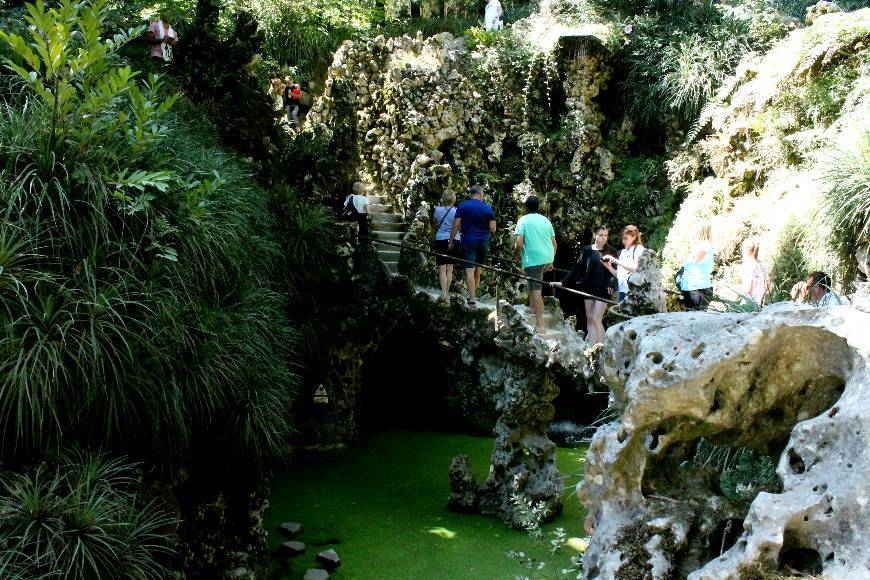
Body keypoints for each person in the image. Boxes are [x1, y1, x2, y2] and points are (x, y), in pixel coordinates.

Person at [554, 225, 616, 345]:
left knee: (597, 318)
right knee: (590, 317)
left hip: (603, 289)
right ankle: (592, 347)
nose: (604, 238)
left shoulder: (611, 251)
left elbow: (616, 272)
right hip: (589, 287)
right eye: (601, 235)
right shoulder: (587, 250)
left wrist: (612, 285)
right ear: (595, 236)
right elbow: (576, 269)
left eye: (606, 235)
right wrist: (562, 282)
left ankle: (601, 347)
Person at [514, 195, 557, 333]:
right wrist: (551, 259)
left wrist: (517, 256)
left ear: (525, 207)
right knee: (535, 285)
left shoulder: (523, 220)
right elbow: (554, 244)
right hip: (546, 258)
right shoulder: (546, 220)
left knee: (536, 291)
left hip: (532, 259)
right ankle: (532, 310)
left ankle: (540, 325)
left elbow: (519, 243)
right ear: (538, 207)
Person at [449, 185, 496, 307]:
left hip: (468, 240)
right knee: (478, 269)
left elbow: (456, 225)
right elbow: (493, 228)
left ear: (471, 194)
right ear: (481, 194)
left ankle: (472, 299)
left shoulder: (463, 206)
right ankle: (472, 295)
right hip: (483, 241)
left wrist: (451, 241)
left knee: (469, 270)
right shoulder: (488, 208)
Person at [680, 224, 714, 310]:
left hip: (697, 289)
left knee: (695, 318)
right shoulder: (705, 246)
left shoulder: (703, 247)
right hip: (696, 288)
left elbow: (694, 260)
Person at [432, 191, 460, 300]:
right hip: (454, 240)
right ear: (453, 199)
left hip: (441, 239)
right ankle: (447, 292)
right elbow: (459, 226)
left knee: (442, 269)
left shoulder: (437, 210)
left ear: (443, 198)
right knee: (450, 269)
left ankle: (443, 293)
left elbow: (435, 223)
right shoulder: (457, 211)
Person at [607, 225, 644, 303]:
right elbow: (619, 275)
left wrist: (616, 261)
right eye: (622, 238)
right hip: (622, 289)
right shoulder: (623, 252)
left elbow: (635, 268)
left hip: (633, 291)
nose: (623, 241)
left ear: (634, 237)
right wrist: (609, 266)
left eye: (626, 238)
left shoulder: (639, 249)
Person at [740, 238, 770, 306]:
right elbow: (767, 282)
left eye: (742, 249)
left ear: (745, 251)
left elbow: (748, 288)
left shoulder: (747, 266)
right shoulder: (762, 264)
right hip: (761, 302)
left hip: (749, 303)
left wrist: (738, 294)